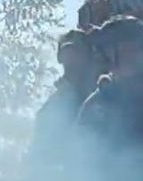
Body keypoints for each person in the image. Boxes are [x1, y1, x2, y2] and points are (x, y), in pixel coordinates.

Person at [30, 27, 106, 161]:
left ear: (89, 56)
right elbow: (39, 154)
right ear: (60, 57)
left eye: (78, 52)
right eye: (68, 52)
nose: (72, 58)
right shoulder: (49, 109)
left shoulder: (100, 97)